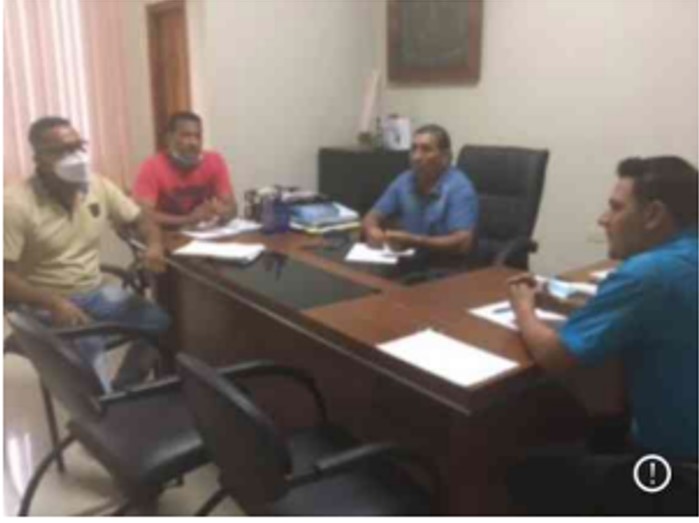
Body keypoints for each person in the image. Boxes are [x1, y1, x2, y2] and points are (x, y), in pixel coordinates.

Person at [507, 156, 698, 515]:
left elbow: (555, 356)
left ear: (653, 214)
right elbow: (644, 314)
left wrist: (523, 309)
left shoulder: (650, 273)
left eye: (616, 208)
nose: (603, 219)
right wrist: (558, 304)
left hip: (680, 474)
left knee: (520, 473)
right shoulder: (685, 258)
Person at [4, 116, 171, 390]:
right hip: (42, 302)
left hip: (94, 292)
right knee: (88, 344)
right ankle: (102, 406)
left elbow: (141, 219)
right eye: (62, 151)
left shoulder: (97, 185)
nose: (76, 157)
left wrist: (153, 245)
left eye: (78, 147)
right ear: (39, 159)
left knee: (159, 323)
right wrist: (53, 303)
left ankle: (122, 390)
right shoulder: (14, 204)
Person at [362, 124, 479, 256]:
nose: (416, 157)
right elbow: (372, 216)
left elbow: (463, 244)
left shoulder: (459, 188)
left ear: (445, 156)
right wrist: (372, 230)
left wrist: (414, 241)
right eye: (413, 149)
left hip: (443, 263)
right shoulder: (404, 180)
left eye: (426, 149)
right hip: (408, 258)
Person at [132, 111, 236, 228]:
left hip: (206, 232)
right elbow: (143, 215)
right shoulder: (152, 166)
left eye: (197, 136)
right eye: (186, 136)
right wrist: (188, 219)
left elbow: (232, 208)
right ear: (169, 138)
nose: (193, 142)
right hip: (167, 233)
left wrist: (221, 211)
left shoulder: (214, 161)